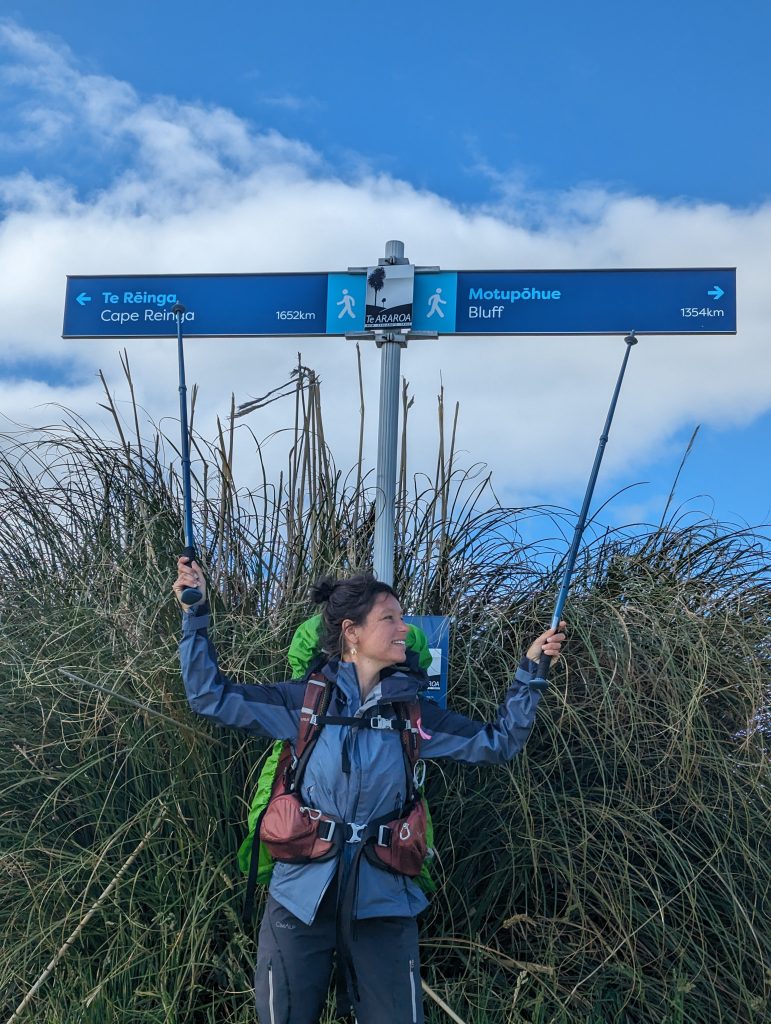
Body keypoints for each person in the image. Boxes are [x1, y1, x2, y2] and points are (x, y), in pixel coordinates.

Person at [174, 559, 566, 1024]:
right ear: (351, 632)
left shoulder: (414, 714)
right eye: (391, 619)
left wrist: (530, 673)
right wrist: (193, 615)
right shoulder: (302, 703)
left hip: (384, 898)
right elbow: (208, 696)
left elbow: (496, 743)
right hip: (300, 895)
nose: (404, 628)